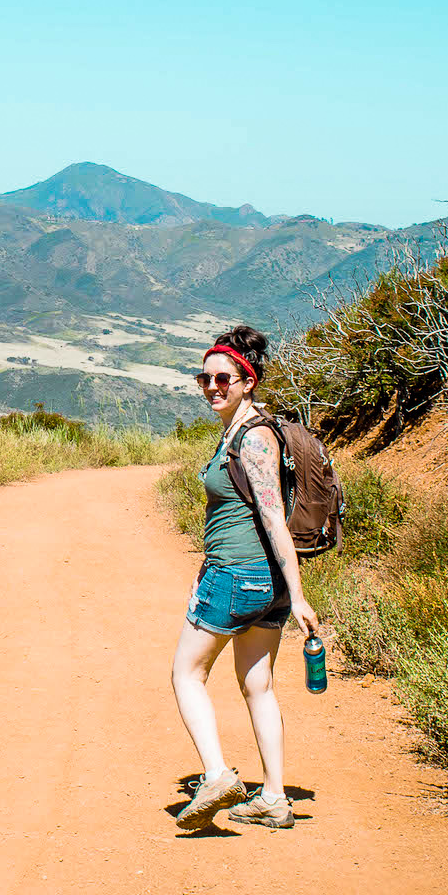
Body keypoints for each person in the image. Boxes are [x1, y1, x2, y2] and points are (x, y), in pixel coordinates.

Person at [171, 324, 320, 831]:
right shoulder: (241, 430)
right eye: (204, 379)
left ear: (248, 381)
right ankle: (273, 798)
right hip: (263, 581)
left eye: (223, 379)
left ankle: (216, 775)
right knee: (258, 685)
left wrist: (300, 596)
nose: (212, 387)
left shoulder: (253, 438)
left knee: (187, 674)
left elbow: (274, 518)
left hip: (239, 575)